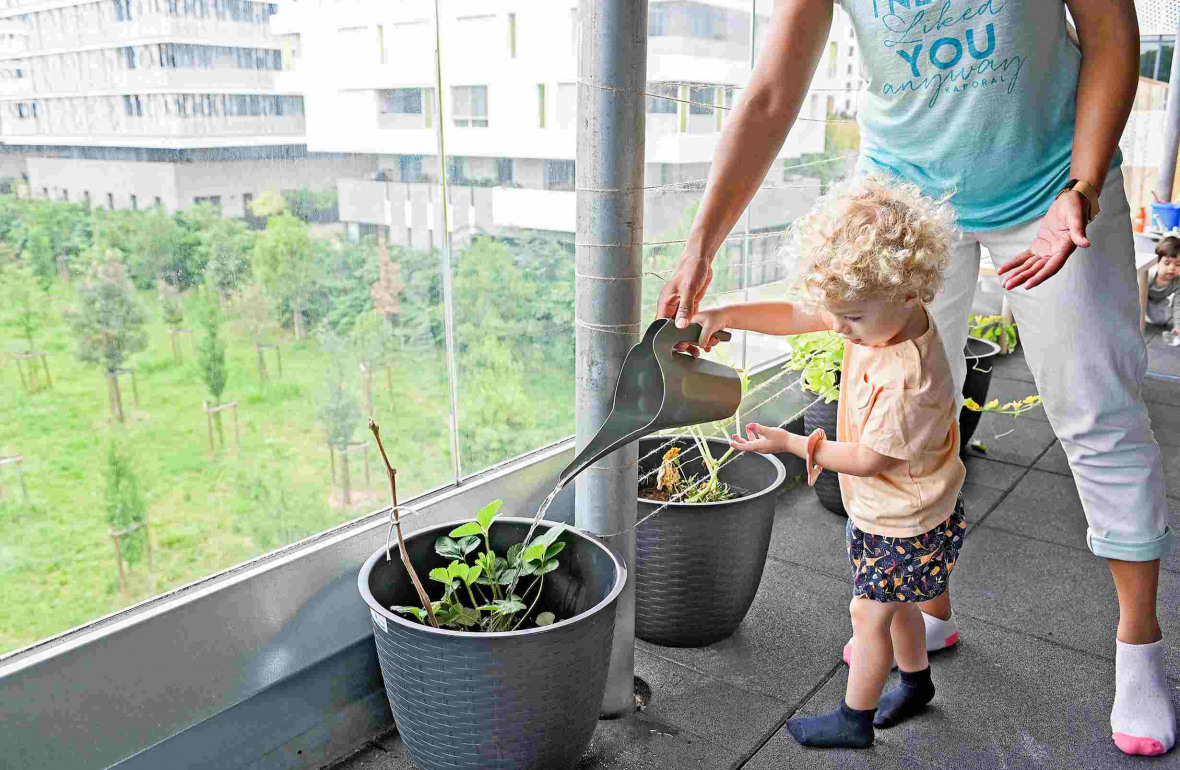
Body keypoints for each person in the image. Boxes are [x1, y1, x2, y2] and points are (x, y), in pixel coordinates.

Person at [657, 0, 1175, 756]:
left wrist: (1086, 185)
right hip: (906, 201)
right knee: (899, 405)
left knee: (1099, 412)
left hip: (1052, 180)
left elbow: (1108, 31)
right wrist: (703, 242)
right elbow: (773, 92)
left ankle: (1139, 647)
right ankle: (925, 610)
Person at [691, 177, 964, 748]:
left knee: (868, 618)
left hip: (900, 519)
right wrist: (724, 314)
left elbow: (866, 459)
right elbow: (800, 313)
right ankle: (915, 683)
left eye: (850, 320)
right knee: (898, 603)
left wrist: (793, 445)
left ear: (912, 290)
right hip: (901, 511)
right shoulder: (877, 307)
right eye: (836, 315)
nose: (838, 328)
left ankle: (853, 720)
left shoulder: (907, 379)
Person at [1146, 237, 1180, 332]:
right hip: (1142, 298)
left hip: (1159, 301)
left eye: (1177, 264)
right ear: (1157, 262)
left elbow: (1178, 305)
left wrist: (1178, 327)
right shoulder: (1150, 276)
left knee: (1160, 321)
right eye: (1167, 263)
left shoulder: (1178, 282)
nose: (1172, 268)